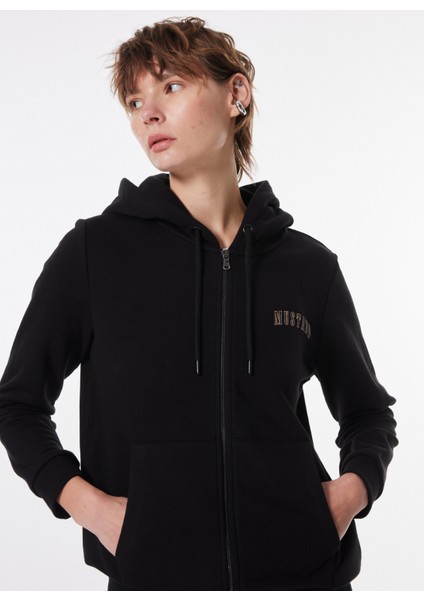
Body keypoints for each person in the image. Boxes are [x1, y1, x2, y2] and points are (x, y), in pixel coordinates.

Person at [0, 16, 398, 592]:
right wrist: (92, 509)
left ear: (236, 94)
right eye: (135, 101)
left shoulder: (307, 266)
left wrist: (347, 495)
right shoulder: (94, 252)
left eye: (171, 86)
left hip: (304, 575)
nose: (148, 113)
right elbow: (16, 404)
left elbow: (368, 413)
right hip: (156, 575)